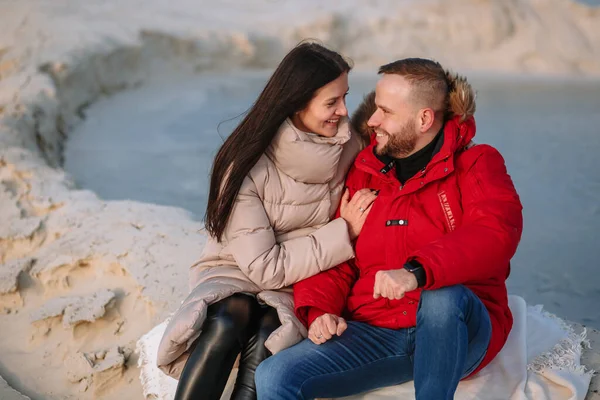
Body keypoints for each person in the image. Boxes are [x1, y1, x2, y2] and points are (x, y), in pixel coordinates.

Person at [255, 58, 524, 400]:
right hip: (378, 333)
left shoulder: (476, 164)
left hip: (457, 331)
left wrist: (417, 271)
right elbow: (342, 254)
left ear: (424, 118)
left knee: (442, 296)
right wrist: (321, 311)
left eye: (385, 111)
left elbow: (495, 233)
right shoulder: (366, 171)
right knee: (275, 375)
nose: (371, 120)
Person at [156, 42, 377, 400]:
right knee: (230, 316)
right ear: (297, 101)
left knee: (271, 331)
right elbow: (264, 268)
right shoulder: (245, 163)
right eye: (332, 102)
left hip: (303, 281)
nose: (343, 111)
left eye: (345, 98)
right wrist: (344, 231)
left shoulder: (351, 147)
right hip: (237, 269)